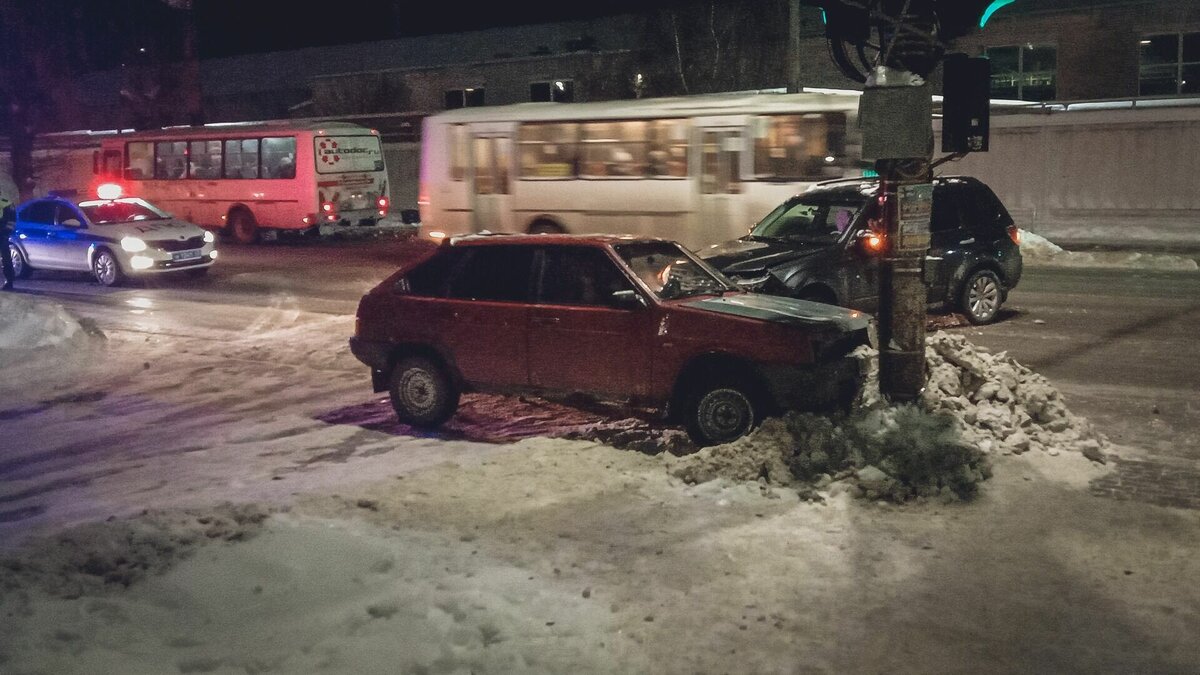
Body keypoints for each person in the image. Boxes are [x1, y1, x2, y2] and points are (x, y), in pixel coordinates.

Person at [1, 198, 16, 290]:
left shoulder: (6, 203)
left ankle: (9, 282)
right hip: (3, 235)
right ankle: (9, 282)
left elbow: (11, 221)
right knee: (6, 258)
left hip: (2, 235)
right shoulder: (7, 203)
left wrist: (6, 233)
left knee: (6, 259)